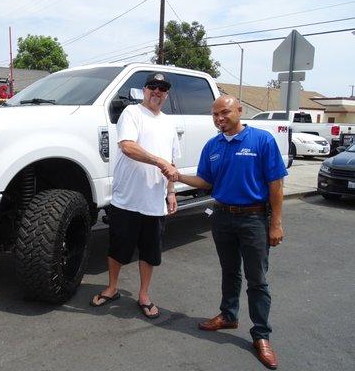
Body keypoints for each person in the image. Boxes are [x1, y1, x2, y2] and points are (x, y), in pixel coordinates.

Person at [173, 95, 287, 370]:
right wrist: (177, 176)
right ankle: (228, 315)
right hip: (222, 217)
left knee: (257, 279)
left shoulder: (262, 140)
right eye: (215, 115)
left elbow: (276, 185)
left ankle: (261, 335)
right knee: (229, 272)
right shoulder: (212, 146)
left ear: (239, 110)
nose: (219, 118)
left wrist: (276, 223)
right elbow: (205, 181)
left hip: (254, 219)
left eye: (224, 113)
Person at [90, 72, 180, 319]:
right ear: (145, 89)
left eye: (162, 88)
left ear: (167, 94)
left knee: (150, 252)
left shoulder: (169, 123)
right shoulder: (132, 113)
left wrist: (171, 192)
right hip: (126, 200)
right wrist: (158, 160)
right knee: (118, 248)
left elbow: (172, 161)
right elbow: (127, 146)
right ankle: (112, 288)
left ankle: (143, 295)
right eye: (152, 86)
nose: (157, 91)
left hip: (154, 201)